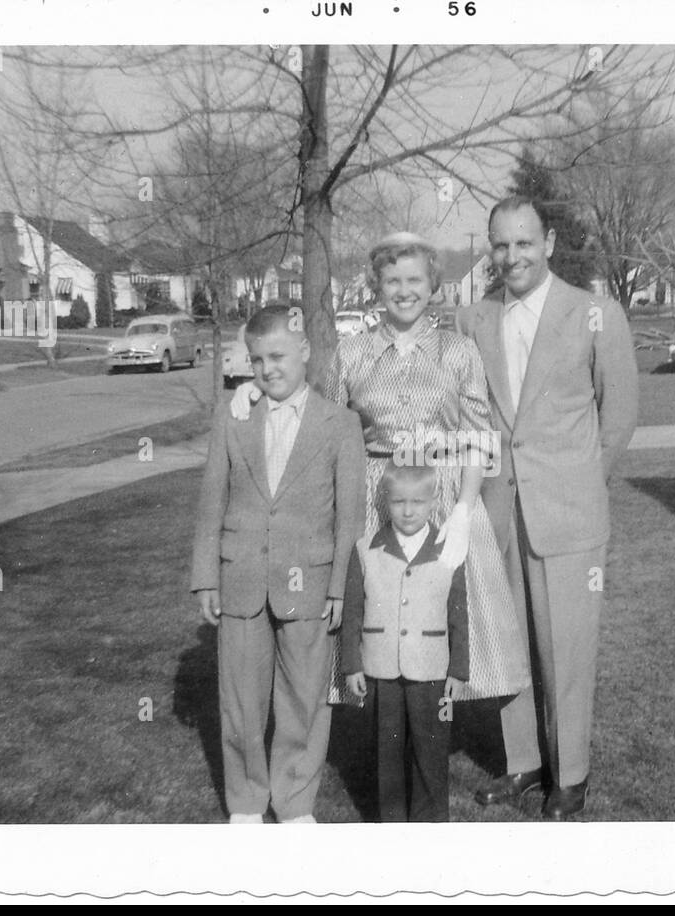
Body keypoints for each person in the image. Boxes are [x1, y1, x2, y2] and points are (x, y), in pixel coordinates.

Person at [231, 233, 528, 709]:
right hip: (374, 497)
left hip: (443, 494)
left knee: (438, 611)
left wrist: (464, 512)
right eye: (392, 280)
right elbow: (318, 421)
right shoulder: (353, 353)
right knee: (382, 611)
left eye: (414, 279)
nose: (404, 290)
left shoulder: (458, 351)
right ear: (377, 287)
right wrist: (259, 392)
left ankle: (432, 729)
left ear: (433, 285)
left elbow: (477, 440)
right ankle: (384, 723)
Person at [456, 195, 639, 820]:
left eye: (524, 243)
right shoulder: (472, 320)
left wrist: (583, 481)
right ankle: (523, 765)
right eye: (501, 245)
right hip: (498, 511)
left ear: (550, 242)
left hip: (569, 515)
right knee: (509, 647)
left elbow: (619, 415)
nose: (512, 257)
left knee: (566, 649)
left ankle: (571, 775)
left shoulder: (595, 314)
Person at [190, 304, 365, 824]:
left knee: (305, 698)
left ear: (306, 353)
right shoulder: (236, 415)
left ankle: (294, 802)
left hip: (309, 581)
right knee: (241, 698)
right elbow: (210, 501)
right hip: (240, 574)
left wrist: (338, 589)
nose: (268, 370)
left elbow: (349, 517)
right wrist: (205, 576)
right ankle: (246, 802)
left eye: (279, 357)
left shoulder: (340, 424)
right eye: (257, 359)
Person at [341, 461, 468, 822]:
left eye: (417, 501)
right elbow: (352, 611)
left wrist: (458, 669)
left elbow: (459, 613)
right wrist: (352, 664)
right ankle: (392, 824)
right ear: (385, 502)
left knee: (432, 748)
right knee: (388, 749)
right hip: (382, 668)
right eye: (398, 502)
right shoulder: (366, 549)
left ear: (433, 501)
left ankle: (430, 823)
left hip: (432, 671)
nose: (408, 511)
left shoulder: (449, 550)